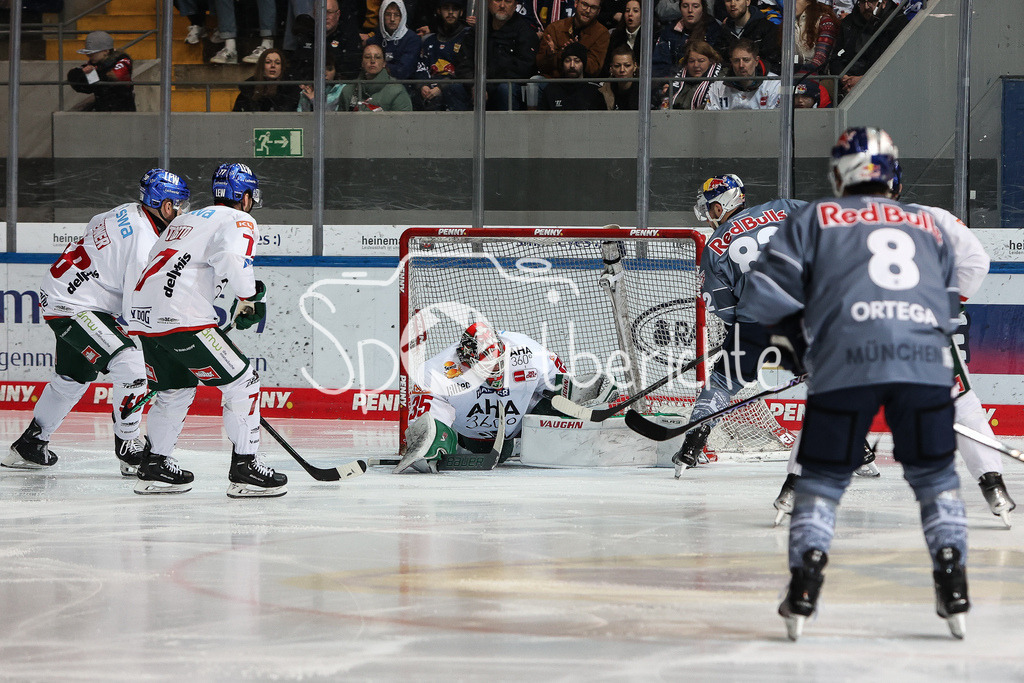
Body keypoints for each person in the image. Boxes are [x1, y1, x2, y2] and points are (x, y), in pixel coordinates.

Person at [738, 127, 969, 640]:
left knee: (821, 480)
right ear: (892, 171)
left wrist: (799, 340)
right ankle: (952, 578)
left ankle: (804, 584)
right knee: (935, 478)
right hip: (922, 366)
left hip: (846, 362)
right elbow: (949, 306)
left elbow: (764, 293)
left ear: (840, 174)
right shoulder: (929, 224)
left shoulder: (817, 217)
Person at [5, 170, 191, 475]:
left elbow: (96, 231)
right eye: (180, 204)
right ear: (166, 205)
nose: (182, 211)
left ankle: (29, 446)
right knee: (131, 363)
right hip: (76, 306)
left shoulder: (124, 212)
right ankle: (129, 447)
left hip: (64, 293)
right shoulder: (144, 244)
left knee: (73, 378)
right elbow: (136, 311)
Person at [126, 163, 283, 498]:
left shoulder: (186, 218)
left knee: (174, 390)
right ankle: (245, 468)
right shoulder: (239, 219)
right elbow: (233, 256)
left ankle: (154, 466)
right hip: (181, 316)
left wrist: (244, 294)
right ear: (243, 196)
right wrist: (249, 298)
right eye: (250, 195)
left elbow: (169, 261)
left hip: (143, 315)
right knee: (244, 383)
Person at [666, 174, 806, 476]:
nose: (710, 213)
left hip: (755, 322)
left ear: (724, 204)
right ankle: (858, 450)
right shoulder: (785, 207)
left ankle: (692, 445)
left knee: (722, 384)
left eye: (712, 207)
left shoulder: (715, 246)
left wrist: (745, 328)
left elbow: (720, 304)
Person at [394, 321, 616, 473]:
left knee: (559, 406)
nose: (495, 372)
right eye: (486, 367)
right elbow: (424, 425)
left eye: (498, 363)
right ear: (466, 361)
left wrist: (579, 401)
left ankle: (539, 441)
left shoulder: (528, 352)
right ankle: (469, 444)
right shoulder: (438, 372)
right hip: (475, 435)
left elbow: (563, 386)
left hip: (520, 422)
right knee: (500, 454)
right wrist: (427, 448)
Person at [829, 0, 908, 99]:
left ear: (883, 2)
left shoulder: (897, 22)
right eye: (862, 2)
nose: (866, 6)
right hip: (846, 85)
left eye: (871, 1)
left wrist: (863, 80)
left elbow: (898, 64)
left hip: (883, 88)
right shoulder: (848, 23)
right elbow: (835, 58)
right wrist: (844, 78)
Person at [413, 0, 474, 111]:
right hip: (430, 88)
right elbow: (420, 67)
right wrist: (422, 85)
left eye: (454, 9)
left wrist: (442, 86)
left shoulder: (468, 37)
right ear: (439, 11)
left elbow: (465, 70)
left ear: (461, 12)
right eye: (446, 8)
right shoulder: (429, 41)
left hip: (456, 89)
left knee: (453, 89)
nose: (450, 12)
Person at [484, 0, 539, 110]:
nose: (502, 5)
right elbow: (465, 62)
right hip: (480, 85)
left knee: (505, 88)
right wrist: (473, 86)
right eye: (498, 0)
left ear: (515, 6)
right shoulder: (479, 30)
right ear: (488, 3)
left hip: (508, 86)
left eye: (508, 1)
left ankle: (509, 127)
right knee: (456, 88)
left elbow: (524, 69)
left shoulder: (526, 32)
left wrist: (490, 86)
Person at [289, 0, 364, 80]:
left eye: (329, 12)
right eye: (321, 12)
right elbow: (297, 69)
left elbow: (352, 70)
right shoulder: (306, 36)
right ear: (314, 14)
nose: (325, 16)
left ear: (338, 14)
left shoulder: (349, 36)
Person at [536, 0, 609, 80]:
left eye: (593, 8)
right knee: (535, 80)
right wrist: (550, 55)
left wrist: (576, 52)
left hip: (584, 83)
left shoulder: (602, 33)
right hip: (555, 80)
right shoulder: (554, 28)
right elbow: (540, 65)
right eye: (584, 5)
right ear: (576, 3)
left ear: (598, 11)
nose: (588, 11)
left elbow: (594, 69)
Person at [652, 0, 725, 79]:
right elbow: (659, 66)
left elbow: (718, 63)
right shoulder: (669, 32)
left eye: (695, 6)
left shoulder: (714, 31)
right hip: (674, 82)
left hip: (707, 83)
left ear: (703, 9)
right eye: (685, 6)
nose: (690, 10)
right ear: (680, 9)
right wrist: (667, 82)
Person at [67, 31, 136, 112]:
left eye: (92, 54)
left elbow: (114, 76)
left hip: (123, 110)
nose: (89, 56)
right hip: (102, 110)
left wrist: (91, 75)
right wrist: (81, 73)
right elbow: (79, 82)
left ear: (106, 51)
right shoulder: (94, 63)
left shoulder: (123, 60)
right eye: (88, 54)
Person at [704, 38, 780, 110]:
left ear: (756, 61)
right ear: (731, 62)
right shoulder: (718, 87)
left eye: (746, 60)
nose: (741, 65)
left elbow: (776, 119)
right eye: (736, 61)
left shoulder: (774, 84)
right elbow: (710, 120)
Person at [340, 43, 415, 110]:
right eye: (367, 57)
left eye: (378, 57)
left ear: (384, 63)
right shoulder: (348, 90)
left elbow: (404, 123)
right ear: (362, 63)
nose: (372, 61)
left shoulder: (397, 91)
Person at [719, 0, 781, 73]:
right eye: (728, 0)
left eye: (737, 0)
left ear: (748, 1)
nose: (732, 4)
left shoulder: (767, 28)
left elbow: (772, 61)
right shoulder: (723, 31)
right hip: (730, 81)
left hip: (762, 80)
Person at [541, 42, 605, 110]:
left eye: (577, 61)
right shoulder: (551, 89)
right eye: (567, 61)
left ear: (584, 64)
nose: (572, 65)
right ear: (563, 64)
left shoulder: (594, 90)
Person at [233, 48, 301, 111]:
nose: (273, 65)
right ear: (261, 66)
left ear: (282, 67)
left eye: (277, 63)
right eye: (268, 62)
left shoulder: (291, 89)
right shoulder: (248, 88)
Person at [662, 39, 724, 109]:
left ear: (710, 61)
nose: (696, 65)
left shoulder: (721, 81)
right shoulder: (676, 76)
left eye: (701, 61)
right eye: (691, 61)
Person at [369, 0, 422, 81]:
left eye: (396, 15)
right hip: (377, 83)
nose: (392, 19)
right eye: (388, 14)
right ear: (381, 16)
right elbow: (368, 68)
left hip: (405, 86)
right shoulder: (374, 41)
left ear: (402, 17)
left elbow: (404, 71)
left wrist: (382, 66)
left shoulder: (412, 39)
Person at [793, 0, 839, 76]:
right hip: (793, 75)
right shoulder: (786, 23)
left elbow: (821, 56)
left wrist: (807, 69)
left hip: (819, 75)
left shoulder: (825, 21)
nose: (792, 3)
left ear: (808, 2)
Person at [603, 0, 642, 76]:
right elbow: (608, 63)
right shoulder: (616, 36)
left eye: (635, 11)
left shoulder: (651, 36)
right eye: (627, 11)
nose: (630, 14)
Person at [599, 44, 641, 110]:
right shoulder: (602, 91)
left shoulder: (645, 90)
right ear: (611, 68)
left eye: (627, 65)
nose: (622, 70)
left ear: (635, 66)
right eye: (617, 66)